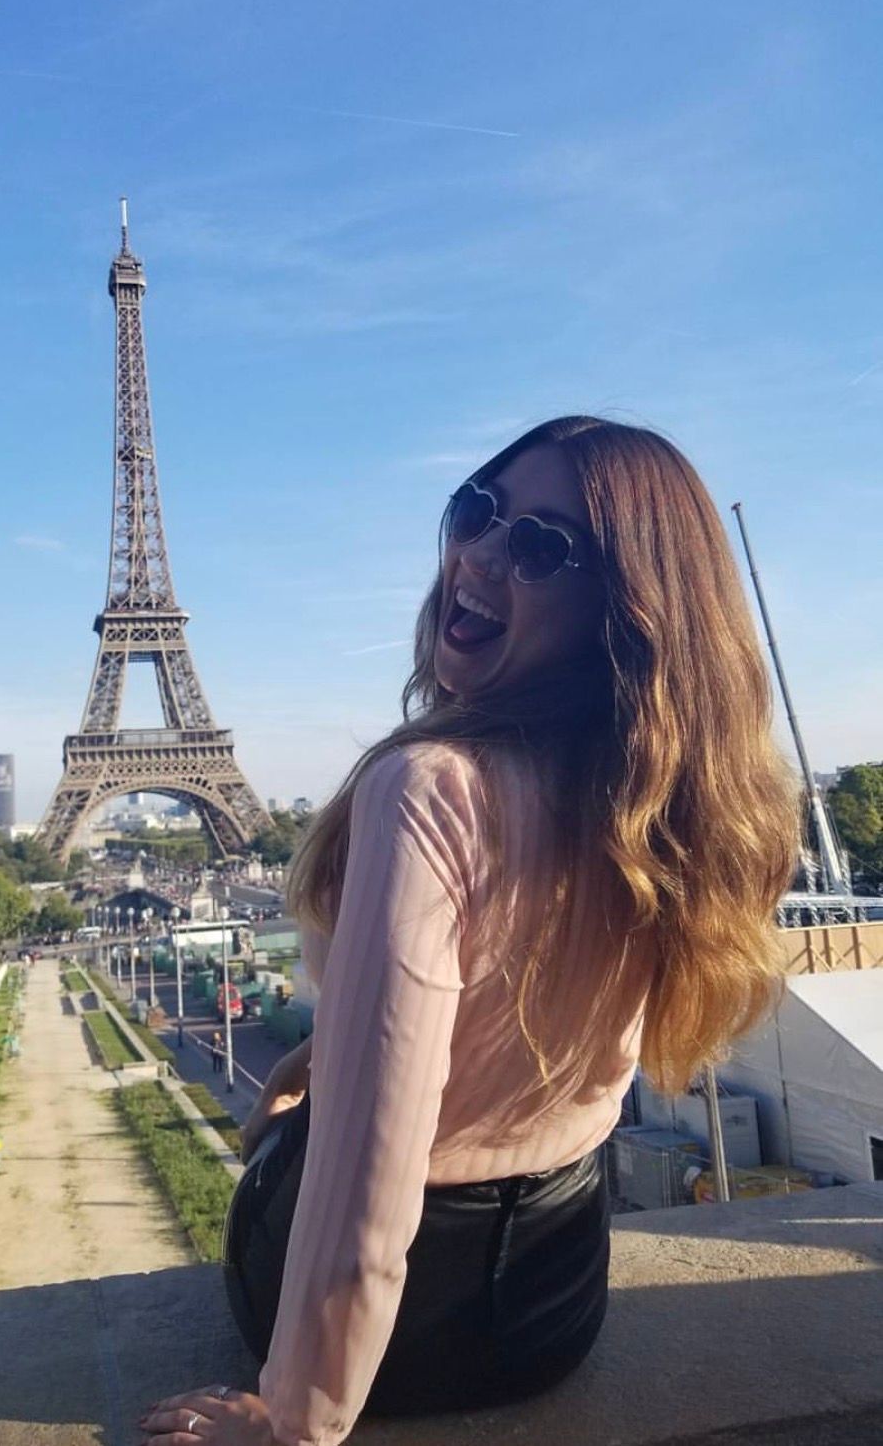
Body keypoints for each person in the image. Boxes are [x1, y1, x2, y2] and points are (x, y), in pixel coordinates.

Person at [140, 418, 799, 1446]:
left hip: (380, 1337)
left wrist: (297, 1416)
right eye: (477, 510)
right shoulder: (649, 801)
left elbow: (366, 1172)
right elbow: (519, 1014)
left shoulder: (429, 786)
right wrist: (337, 1045)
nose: (481, 555)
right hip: (554, 1304)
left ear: (617, 606)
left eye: (540, 546)